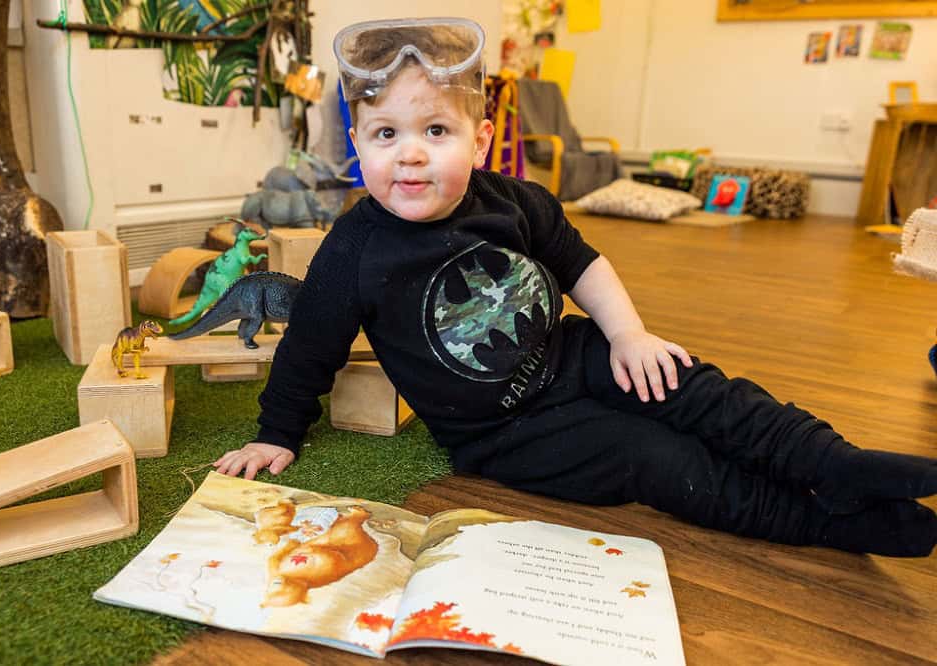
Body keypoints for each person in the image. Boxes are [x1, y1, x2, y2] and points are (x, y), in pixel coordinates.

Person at [215, 18, 937, 557]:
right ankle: (825, 523)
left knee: (693, 386)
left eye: (436, 130)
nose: (408, 153)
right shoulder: (354, 249)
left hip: (572, 352)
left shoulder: (513, 201)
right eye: (383, 135)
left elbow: (583, 264)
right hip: (504, 433)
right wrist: (275, 432)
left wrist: (628, 335)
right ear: (358, 142)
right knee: (656, 458)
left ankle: (832, 463)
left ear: (482, 140)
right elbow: (310, 345)